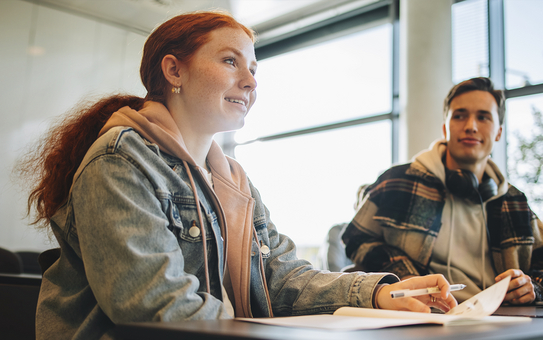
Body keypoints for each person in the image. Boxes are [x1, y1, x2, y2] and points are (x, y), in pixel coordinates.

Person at [19, 11, 456, 340]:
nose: (250, 81)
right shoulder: (119, 162)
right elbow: (155, 309)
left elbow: (281, 276)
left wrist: (381, 294)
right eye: (231, 61)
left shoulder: (231, 180)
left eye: (254, 68)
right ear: (174, 71)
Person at [342, 77, 543, 304]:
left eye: (483, 117)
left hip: (500, 319)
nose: (471, 126)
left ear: (498, 132)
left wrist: (532, 286)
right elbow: (356, 238)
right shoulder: (397, 181)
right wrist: (403, 274)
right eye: (459, 115)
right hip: (422, 316)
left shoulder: (515, 201)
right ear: (445, 127)